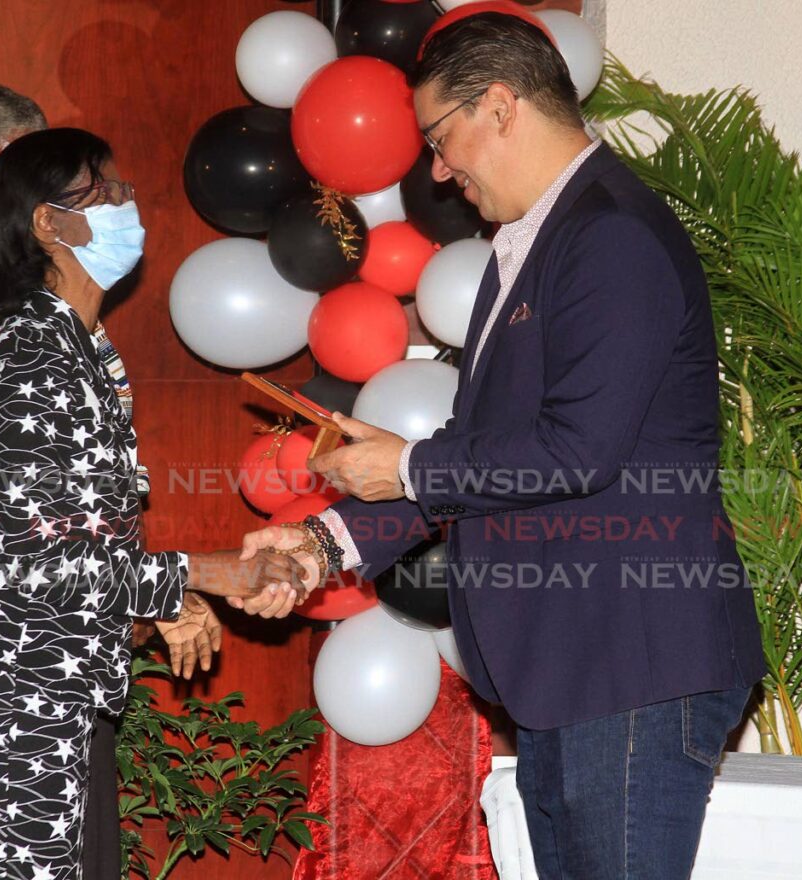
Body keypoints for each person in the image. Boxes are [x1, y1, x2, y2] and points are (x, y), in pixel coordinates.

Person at [241, 11, 766, 880]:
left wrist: (406, 464)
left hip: (630, 659)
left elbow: (576, 452)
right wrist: (323, 540)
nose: (439, 172)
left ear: (499, 105)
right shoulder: (532, 242)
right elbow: (489, 452)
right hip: (574, 665)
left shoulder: (610, 235)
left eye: (441, 138)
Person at [0, 126, 304, 876]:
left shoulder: (80, 351)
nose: (132, 206)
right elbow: (33, 561)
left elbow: (77, 540)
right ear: (48, 222)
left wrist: (160, 598)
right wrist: (207, 573)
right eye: (109, 193)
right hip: (15, 699)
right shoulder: (36, 353)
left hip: (46, 693)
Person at [0, 86, 226, 880]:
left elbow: (95, 517)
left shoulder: (78, 335)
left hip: (61, 646)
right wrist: (175, 580)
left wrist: (141, 591)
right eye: (13, 177)